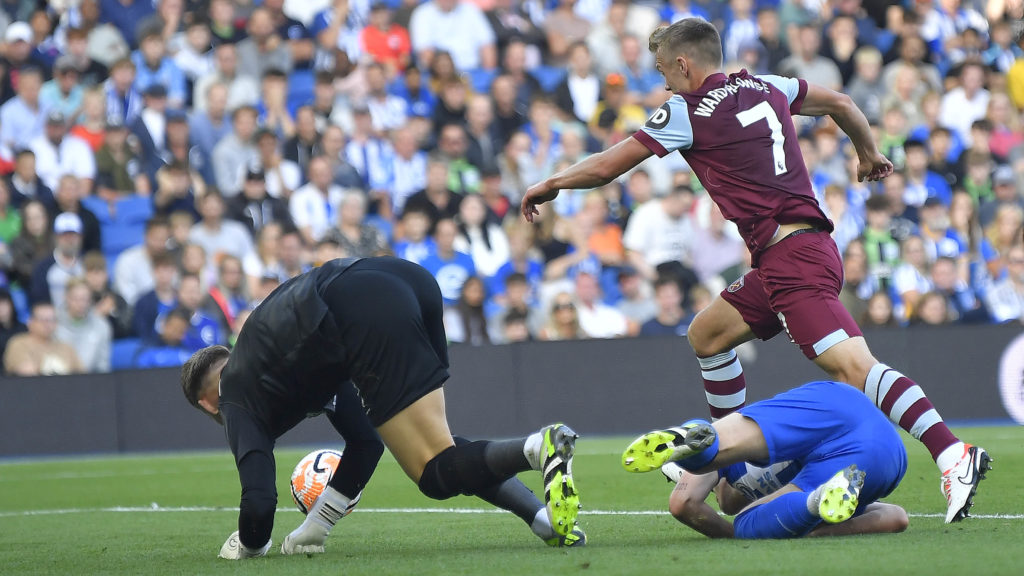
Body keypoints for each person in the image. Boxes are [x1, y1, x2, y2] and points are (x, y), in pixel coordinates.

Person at [520, 18, 987, 523]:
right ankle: (729, 460)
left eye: (663, 70)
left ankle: (951, 454)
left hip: (794, 260)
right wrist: (867, 153)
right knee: (707, 334)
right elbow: (844, 104)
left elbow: (610, 165)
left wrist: (554, 182)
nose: (662, 82)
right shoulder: (768, 85)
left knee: (855, 369)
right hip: (793, 254)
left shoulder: (687, 110)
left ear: (684, 64)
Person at [180, 257, 583, 560]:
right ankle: (540, 517)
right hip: (407, 281)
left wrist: (247, 545)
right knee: (441, 453)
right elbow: (365, 442)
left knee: (433, 474)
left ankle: (536, 448)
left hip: (353, 308)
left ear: (206, 402)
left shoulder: (231, 391)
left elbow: (259, 502)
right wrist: (316, 526)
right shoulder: (281, 360)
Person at [636, 381, 911, 540]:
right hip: (846, 406)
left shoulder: (728, 467)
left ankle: (687, 451)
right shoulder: (840, 490)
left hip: (868, 455)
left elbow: (683, 502)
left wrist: (732, 534)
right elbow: (897, 517)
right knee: (721, 441)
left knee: (746, 523)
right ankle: (688, 443)